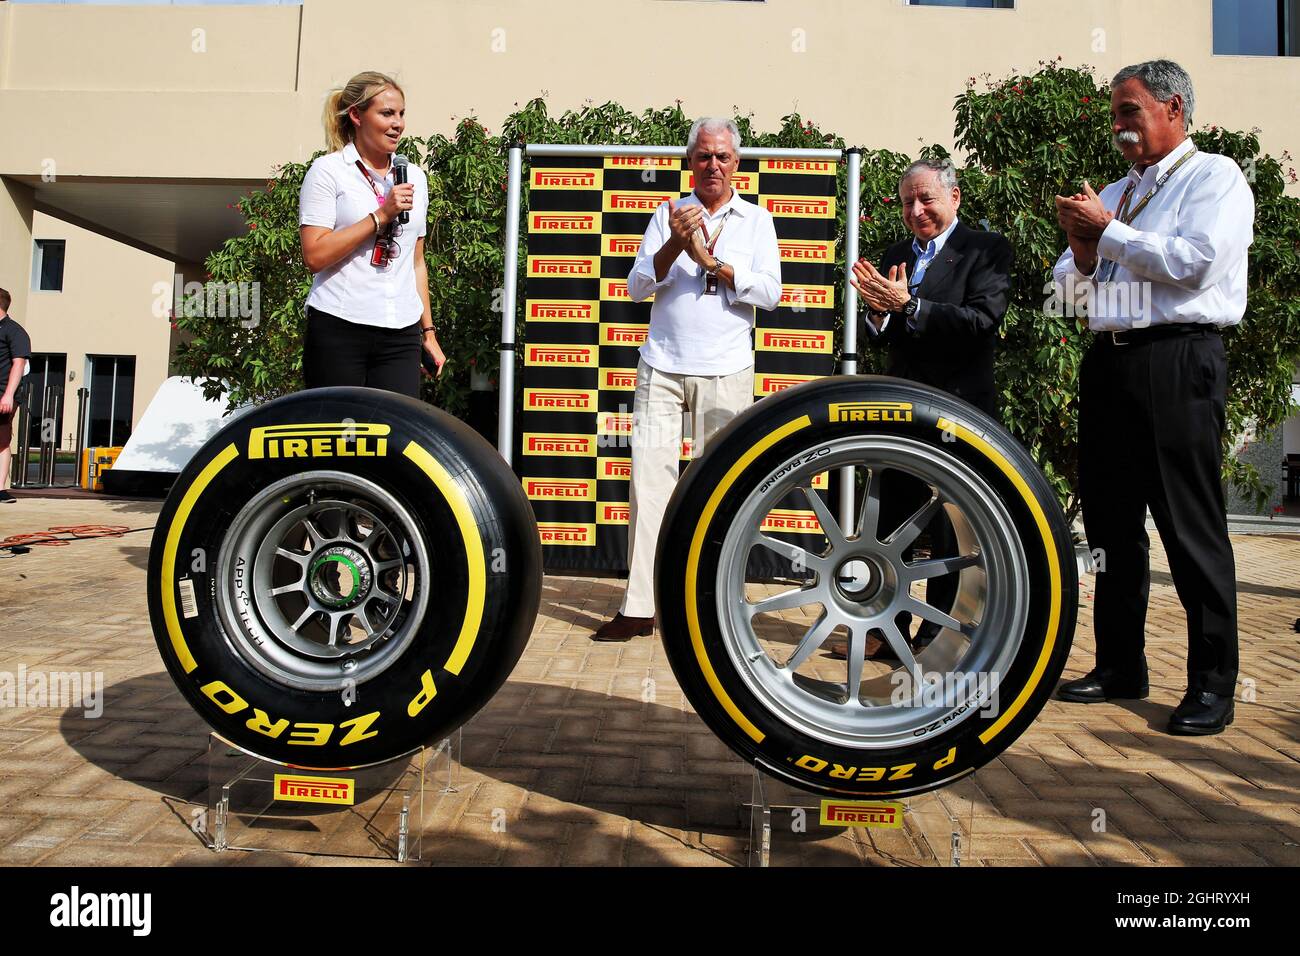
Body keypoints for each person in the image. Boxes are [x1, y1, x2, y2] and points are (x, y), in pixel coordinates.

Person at [1052, 59, 1252, 735]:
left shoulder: (1214, 177)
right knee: (1112, 528)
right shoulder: (1116, 191)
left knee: (1189, 527)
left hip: (1177, 358)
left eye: (1129, 111)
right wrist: (1082, 250)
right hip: (1110, 363)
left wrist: (1106, 233)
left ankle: (1213, 684)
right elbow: (1071, 293)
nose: (1119, 127)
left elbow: (1197, 262)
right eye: (1114, 114)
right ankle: (1120, 665)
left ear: (1173, 108)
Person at [592, 117, 782, 642]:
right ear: (690, 162)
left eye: (722, 156)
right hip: (662, 367)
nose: (713, 165)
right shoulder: (667, 213)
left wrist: (712, 262)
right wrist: (675, 246)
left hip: (726, 369)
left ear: (736, 164)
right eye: (703, 156)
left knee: (721, 491)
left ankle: (712, 602)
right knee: (649, 486)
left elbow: (769, 293)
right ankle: (639, 607)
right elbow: (635, 287)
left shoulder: (756, 220)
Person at [844, 159, 1012, 660]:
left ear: (954, 198)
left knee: (950, 530)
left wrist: (909, 306)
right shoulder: (896, 254)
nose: (916, 211)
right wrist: (877, 314)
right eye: (906, 202)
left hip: (959, 411)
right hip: (901, 412)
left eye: (927, 200)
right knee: (891, 523)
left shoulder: (986, 250)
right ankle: (885, 630)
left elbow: (982, 321)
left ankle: (942, 636)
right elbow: (887, 333)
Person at [298, 70, 446, 397]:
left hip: (401, 330)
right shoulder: (328, 172)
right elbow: (314, 255)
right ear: (356, 116)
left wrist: (428, 333)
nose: (398, 123)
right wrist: (381, 216)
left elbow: (417, 263)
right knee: (338, 438)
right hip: (340, 324)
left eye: (402, 114)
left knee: (394, 436)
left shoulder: (415, 178)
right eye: (386, 113)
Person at [0, 287, 32, 504]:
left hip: (2, 393)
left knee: (1, 441)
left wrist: (8, 395)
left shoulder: (14, 331)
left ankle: (0, 490)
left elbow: (19, 364)